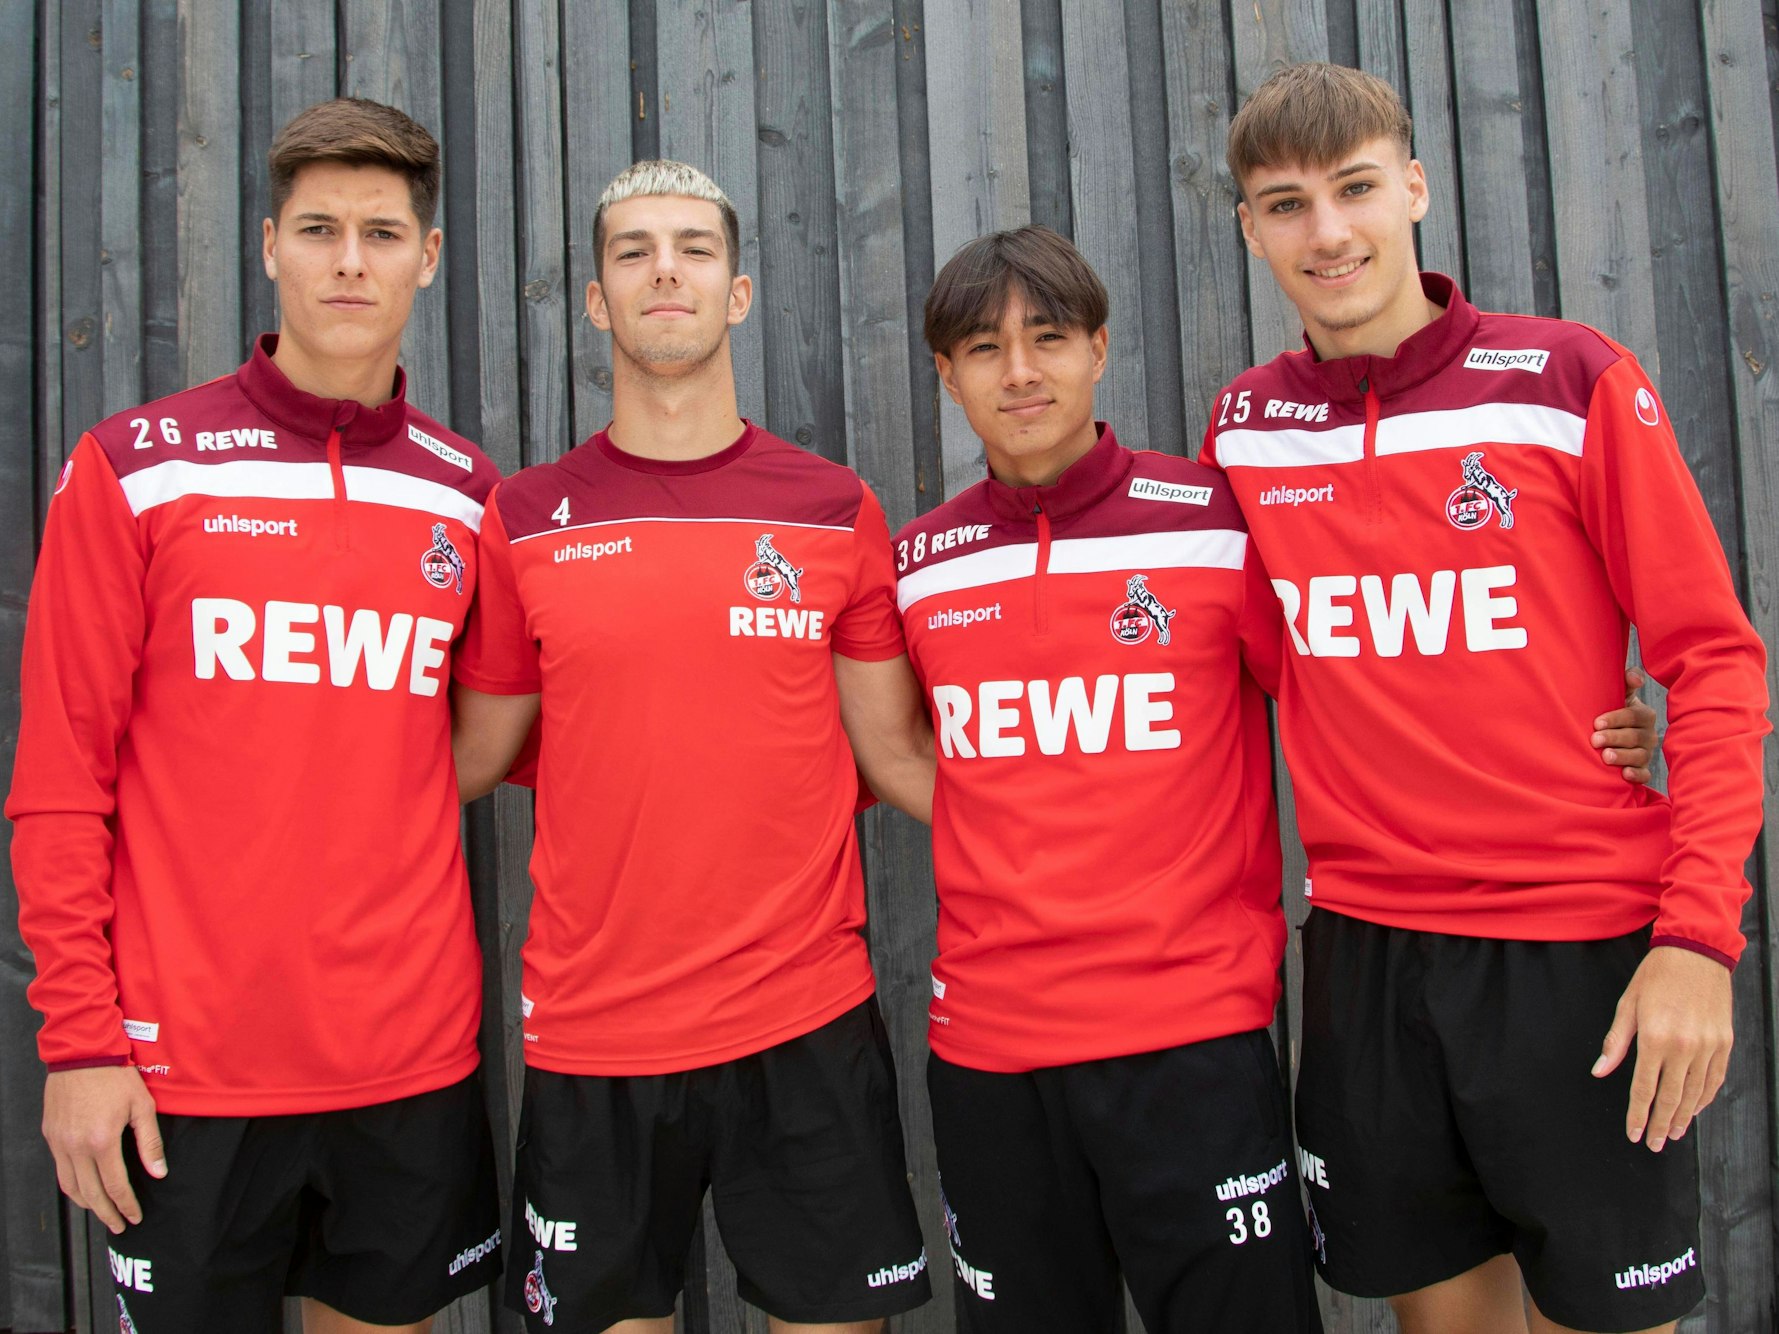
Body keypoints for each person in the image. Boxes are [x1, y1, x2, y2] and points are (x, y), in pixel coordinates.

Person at [896, 225, 1658, 1333]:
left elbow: (1363, 670)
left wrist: (1580, 714)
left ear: (1099, 349)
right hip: (992, 1046)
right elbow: (893, 749)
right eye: (982, 347)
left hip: (1196, 1033)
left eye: (1048, 338)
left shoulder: (1213, 526)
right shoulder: (918, 564)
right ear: (944, 372)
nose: (1019, 371)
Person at [1203, 62, 1771, 1334]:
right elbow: (1265, 663)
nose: (1328, 231)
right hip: (1367, 952)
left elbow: (1716, 660)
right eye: (1286, 204)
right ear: (1249, 228)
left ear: (1414, 187)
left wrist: (1697, 939)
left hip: (1577, 947)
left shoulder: (1566, 379)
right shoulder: (1244, 428)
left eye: (1355, 188)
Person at [6, 98, 503, 1334]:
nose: (350, 262)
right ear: (272, 245)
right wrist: (80, 1040)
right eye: (319, 229)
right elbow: (61, 777)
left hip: (406, 1056)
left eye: (383, 233)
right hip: (182, 1068)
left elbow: (484, 736)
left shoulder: (466, 494)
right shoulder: (139, 467)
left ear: (428, 257)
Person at [450, 160, 932, 1334]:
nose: (664, 269)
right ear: (597, 300)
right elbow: (469, 754)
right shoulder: (524, 517)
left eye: (694, 249)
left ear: (738, 293)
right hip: (595, 1032)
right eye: (633, 251)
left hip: (804, 1018)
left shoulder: (832, 508)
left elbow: (894, 756)